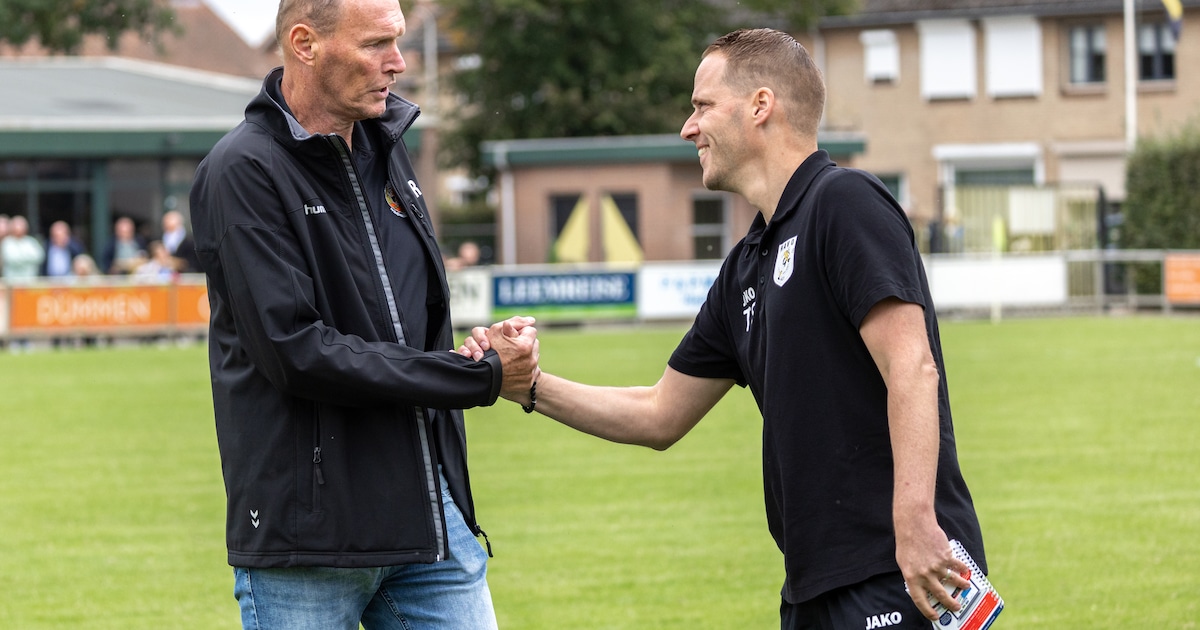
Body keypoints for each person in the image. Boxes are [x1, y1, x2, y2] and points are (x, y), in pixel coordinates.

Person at [462, 28, 987, 630]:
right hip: (811, 583)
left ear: (760, 106)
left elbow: (912, 368)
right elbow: (659, 413)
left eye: (702, 105)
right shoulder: (747, 263)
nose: (688, 128)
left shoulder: (844, 202)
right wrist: (526, 385)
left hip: (897, 569)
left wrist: (917, 526)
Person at [189, 1, 539, 628]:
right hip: (308, 543)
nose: (399, 63)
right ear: (305, 43)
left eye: (398, 42)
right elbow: (297, 350)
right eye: (376, 44)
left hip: (431, 527)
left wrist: (473, 351)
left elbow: (400, 329)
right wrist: (474, 380)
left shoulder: (390, 150)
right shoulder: (241, 170)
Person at [1, 215, 45, 283]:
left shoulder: (31, 241)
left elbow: (39, 256)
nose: (19, 228)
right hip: (11, 283)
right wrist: (28, 257)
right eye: (16, 225)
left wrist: (19, 256)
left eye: (21, 225)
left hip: (30, 282)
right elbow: (11, 259)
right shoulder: (7, 242)